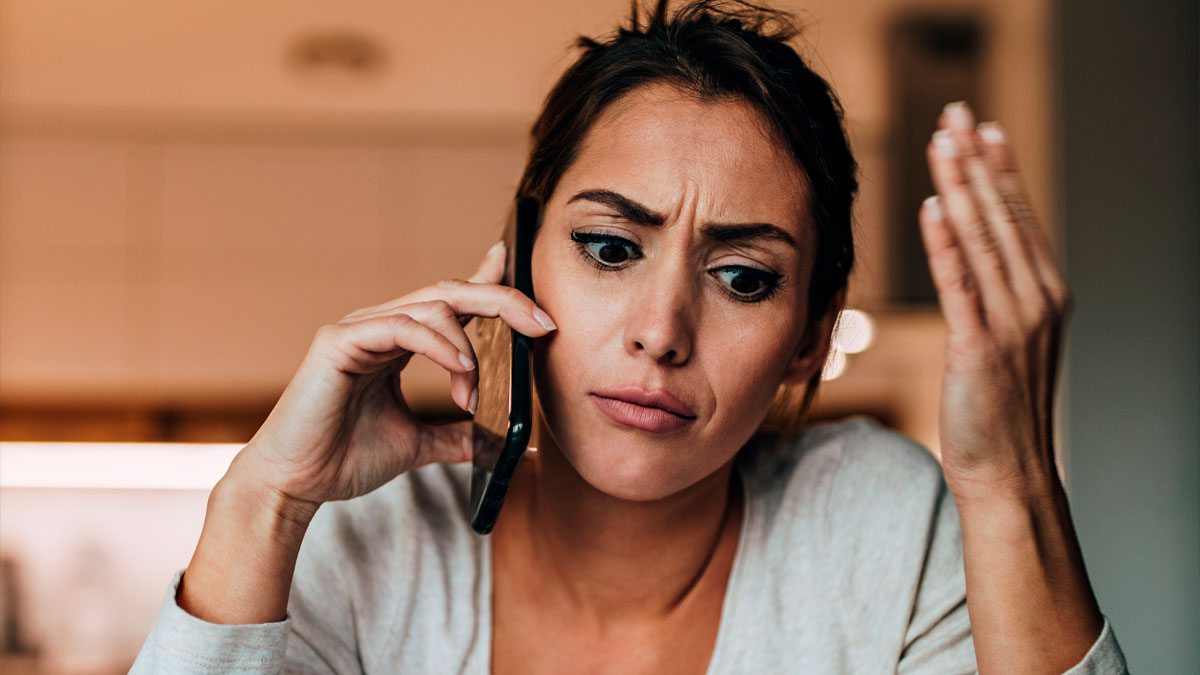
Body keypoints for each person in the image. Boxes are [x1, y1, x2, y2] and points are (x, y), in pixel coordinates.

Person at [131, 1, 1130, 673]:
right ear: (518, 263)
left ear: (808, 340)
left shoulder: (879, 529)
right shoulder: (371, 546)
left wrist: (1010, 483)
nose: (661, 332)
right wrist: (259, 502)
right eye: (611, 248)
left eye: (743, 278)